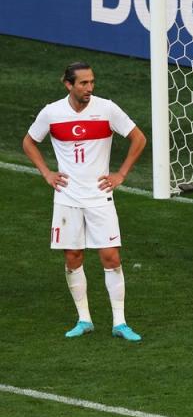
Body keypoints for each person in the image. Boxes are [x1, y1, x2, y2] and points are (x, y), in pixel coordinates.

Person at [22, 62, 147, 342]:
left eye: (92, 82)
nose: (90, 88)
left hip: (100, 197)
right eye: (83, 83)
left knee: (111, 257)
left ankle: (120, 322)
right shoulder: (52, 113)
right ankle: (84, 319)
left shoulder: (107, 109)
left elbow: (138, 138)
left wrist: (121, 173)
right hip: (67, 198)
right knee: (73, 257)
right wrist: (46, 172)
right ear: (68, 84)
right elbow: (29, 142)